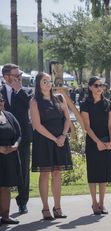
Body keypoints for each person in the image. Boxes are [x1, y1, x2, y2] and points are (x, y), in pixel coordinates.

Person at [30, 72, 73, 221]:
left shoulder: (60, 98)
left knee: (57, 173)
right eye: (44, 82)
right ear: (38, 84)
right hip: (44, 141)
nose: (48, 84)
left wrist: (62, 136)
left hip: (60, 140)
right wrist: (55, 138)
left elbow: (67, 119)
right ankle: (45, 208)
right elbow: (37, 125)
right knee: (45, 174)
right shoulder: (35, 101)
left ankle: (58, 207)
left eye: (49, 81)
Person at [1, 64, 32, 214]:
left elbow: (29, 106)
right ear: (6, 77)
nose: (19, 78)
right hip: (3, 140)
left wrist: (18, 90)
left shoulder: (24, 93)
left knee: (24, 170)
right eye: (16, 76)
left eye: (20, 76)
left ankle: (22, 201)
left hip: (23, 138)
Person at [80, 77, 111, 215]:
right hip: (93, 142)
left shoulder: (108, 104)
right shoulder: (85, 104)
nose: (99, 88)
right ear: (90, 87)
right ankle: (94, 203)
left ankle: (102, 203)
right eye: (96, 85)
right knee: (94, 174)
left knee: (104, 174)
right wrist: (97, 142)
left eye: (101, 85)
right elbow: (87, 127)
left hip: (106, 141)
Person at [0, 95, 22, 225]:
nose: (0, 103)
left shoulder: (9, 115)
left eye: (1, 100)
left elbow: (19, 133)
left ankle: (6, 216)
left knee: (6, 187)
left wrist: (15, 146)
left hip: (10, 156)